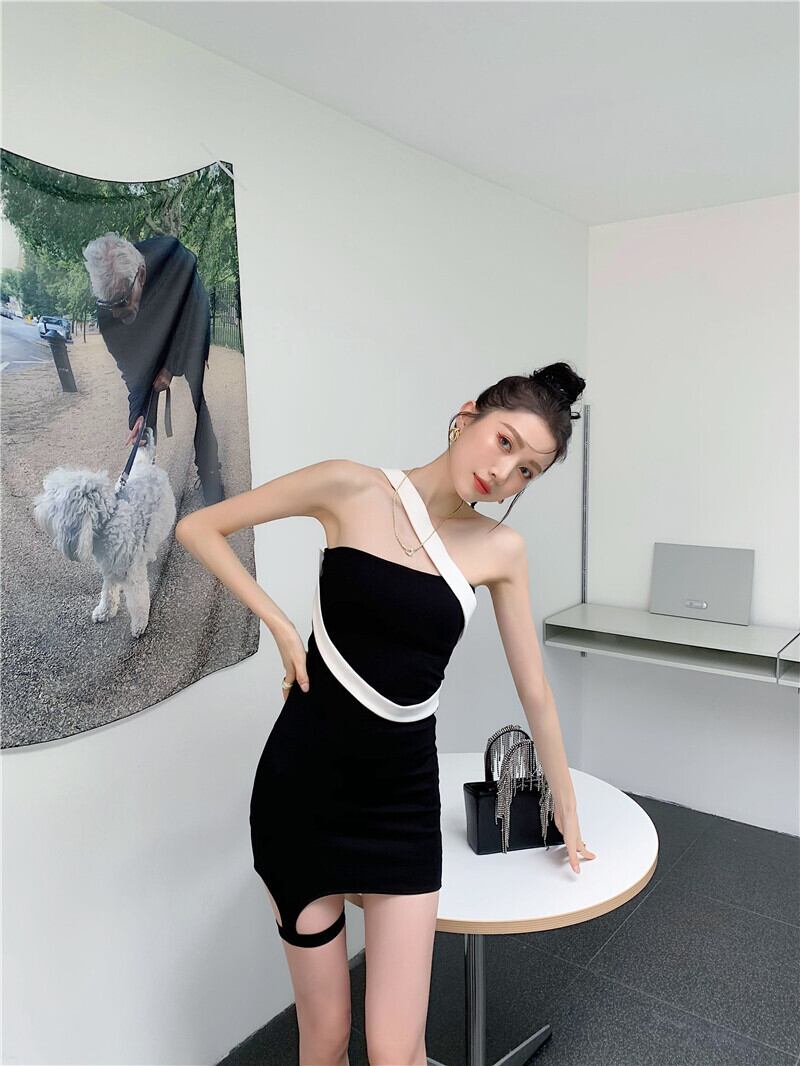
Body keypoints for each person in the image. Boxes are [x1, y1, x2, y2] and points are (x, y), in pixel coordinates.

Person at [175, 362, 597, 1066]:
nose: (505, 473)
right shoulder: (351, 487)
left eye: (528, 470)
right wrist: (280, 626)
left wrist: (568, 810)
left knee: (396, 1052)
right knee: (325, 1038)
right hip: (300, 791)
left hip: (401, 803)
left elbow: (537, 696)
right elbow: (200, 527)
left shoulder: (500, 550)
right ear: (467, 416)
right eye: (504, 442)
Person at [82, 231, 225, 505]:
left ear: (141, 275)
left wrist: (170, 366)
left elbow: (193, 315)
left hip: (189, 325)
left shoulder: (172, 256)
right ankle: (144, 487)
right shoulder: (109, 310)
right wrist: (137, 413)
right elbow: (132, 370)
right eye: (109, 306)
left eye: (122, 301)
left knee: (198, 399)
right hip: (150, 334)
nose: (117, 314)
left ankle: (210, 475)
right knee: (143, 419)